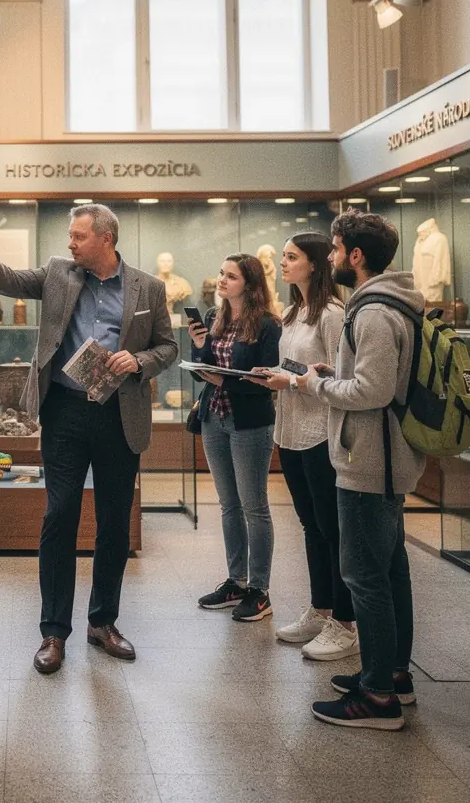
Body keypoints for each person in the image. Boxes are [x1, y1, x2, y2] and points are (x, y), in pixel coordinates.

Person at [0, 204, 178, 674]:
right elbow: (10, 280)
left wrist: (139, 362)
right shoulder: (58, 273)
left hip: (119, 414)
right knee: (58, 516)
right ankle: (53, 632)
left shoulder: (147, 288)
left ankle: (103, 622)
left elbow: (168, 346)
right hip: (65, 412)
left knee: (114, 522)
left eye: (79, 236)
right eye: (70, 235)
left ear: (106, 238)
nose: (70, 243)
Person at [296, 210, 424, 731]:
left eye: (334, 248)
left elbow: (371, 392)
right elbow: (377, 377)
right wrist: (338, 372)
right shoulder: (394, 304)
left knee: (365, 576)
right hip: (386, 459)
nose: (329, 257)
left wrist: (316, 386)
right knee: (390, 571)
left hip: (368, 462)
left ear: (355, 255)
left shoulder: (372, 311)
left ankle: (377, 698)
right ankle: (391, 675)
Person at [246, 233, 356, 660]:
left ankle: (345, 623)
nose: (283, 263)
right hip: (289, 431)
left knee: (332, 528)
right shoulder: (293, 313)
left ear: (314, 265)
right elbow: (299, 367)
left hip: (321, 432)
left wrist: (288, 380)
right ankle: (321, 607)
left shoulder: (332, 313)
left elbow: (336, 376)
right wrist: (272, 371)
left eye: (291, 257)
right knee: (311, 525)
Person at [188, 254, 281, 622]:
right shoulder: (215, 318)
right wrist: (198, 347)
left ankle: (259, 590)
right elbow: (203, 371)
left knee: (254, 506)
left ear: (250, 283)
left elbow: (267, 382)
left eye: (231, 276)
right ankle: (235, 581)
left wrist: (224, 380)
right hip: (214, 417)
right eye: (221, 273)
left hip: (250, 423)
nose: (222, 281)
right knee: (228, 505)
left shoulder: (268, 325)